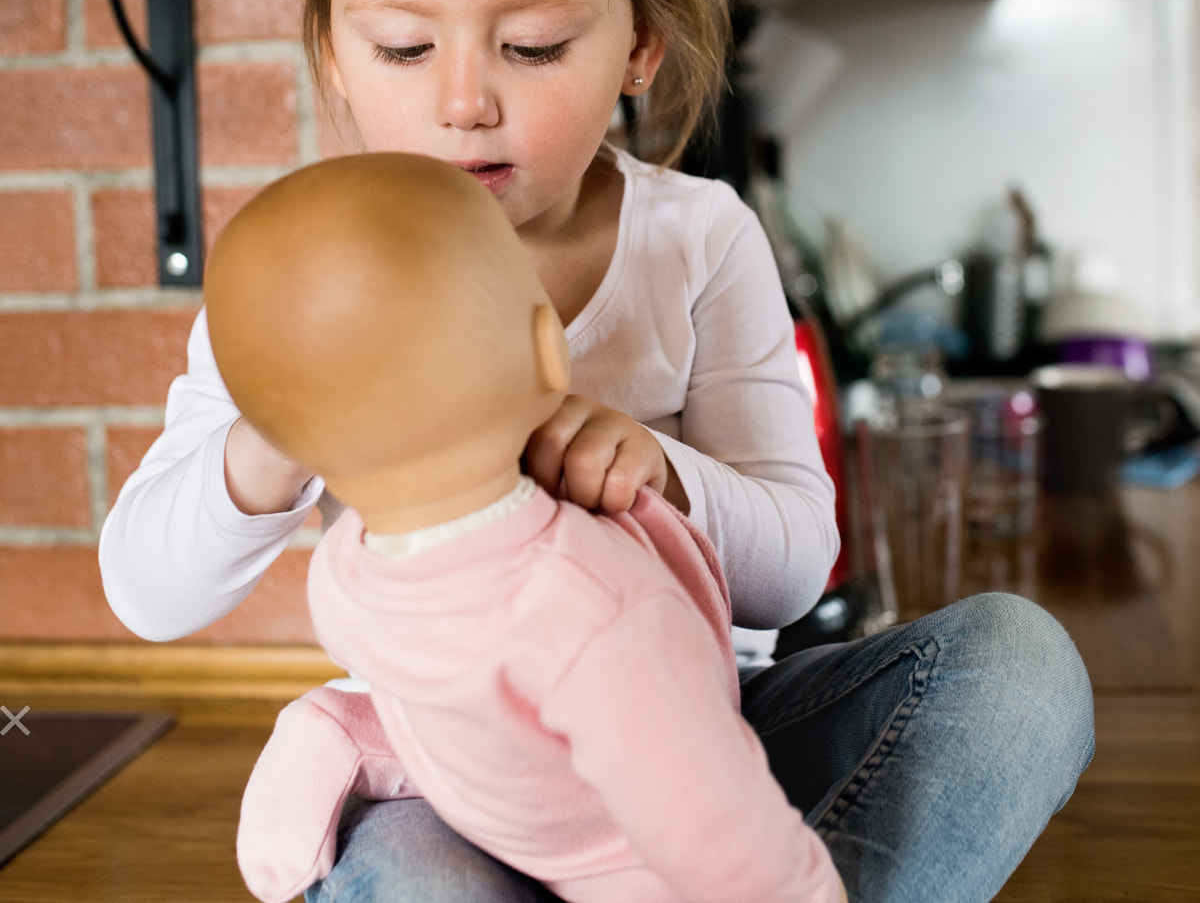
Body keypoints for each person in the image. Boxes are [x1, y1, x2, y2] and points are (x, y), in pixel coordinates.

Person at [97, 0, 1094, 903]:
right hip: (455, 780)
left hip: (706, 736)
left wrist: (663, 471)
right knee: (408, 878)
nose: (465, 102)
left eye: (530, 45)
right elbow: (146, 594)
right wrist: (284, 424)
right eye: (405, 49)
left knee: (1017, 668)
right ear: (332, 50)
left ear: (640, 41)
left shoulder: (697, 239)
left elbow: (793, 565)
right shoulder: (316, 276)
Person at [211, 153, 845, 903]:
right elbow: (711, 827)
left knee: (430, 726)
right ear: (552, 351)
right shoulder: (593, 602)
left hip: (478, 781)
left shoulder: (345, 571)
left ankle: (334, 730)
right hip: (618, 854)